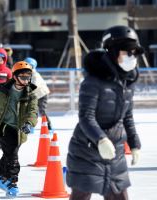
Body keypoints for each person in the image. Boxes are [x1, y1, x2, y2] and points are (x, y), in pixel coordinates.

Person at [66, 25, 143, 200]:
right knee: (81, 194)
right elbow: (86, 116)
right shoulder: (93, 82)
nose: (132, 58)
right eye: (127, 53)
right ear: (113, 51)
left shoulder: (127, 82)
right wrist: (101, 140)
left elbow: (127, 117)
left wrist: (134, 144)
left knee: (119, 196)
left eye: (134, 53)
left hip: (115, 152)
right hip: (87, 150)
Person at [0, 61, 38, 198]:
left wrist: (29, 123)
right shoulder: (2, 89)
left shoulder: (31, 95)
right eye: (23, 77)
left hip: (19, 129)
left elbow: (33, 111)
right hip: (1, 126)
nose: (26, 80)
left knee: (9, 153)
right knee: (13, 155)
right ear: (15, 77)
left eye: (28, 77)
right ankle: (12, 182)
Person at [24, 57, 52, 130]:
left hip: (42, 95)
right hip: (34, 95)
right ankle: (31, 125)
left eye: (29, 66)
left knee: (42, 110)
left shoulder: (35, 74)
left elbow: (34, 85)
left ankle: (48, 125)